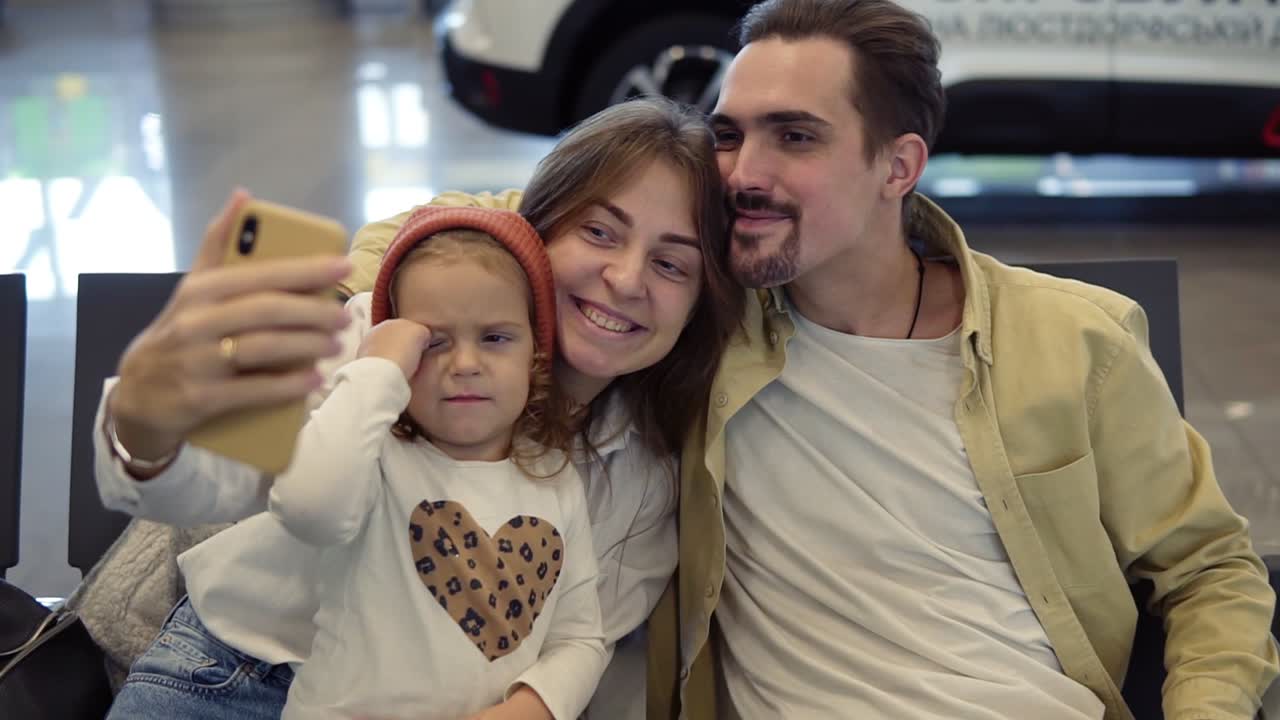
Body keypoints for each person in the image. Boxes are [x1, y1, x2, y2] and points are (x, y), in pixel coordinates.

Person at [642, 1, 1279, 719]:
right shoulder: (691, 334)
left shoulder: (1075, 340)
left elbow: (1210, 571)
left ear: (899, 166)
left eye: (795, 136)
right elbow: (561, 239)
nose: (742, 173)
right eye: (727, 136)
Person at [91, 97, 743, 719]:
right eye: (599, 232)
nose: (626, 279)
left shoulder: (642, 471)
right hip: (235, 675)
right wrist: (148, 417)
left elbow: (579, 641)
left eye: (671, 265)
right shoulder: (380, 341)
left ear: (698, 305)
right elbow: (214, 481)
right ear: (536, 231)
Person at [266, 210, 605, 719]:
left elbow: (580, 639)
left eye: (495, 337)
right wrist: (376, 370)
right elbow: (308, 508)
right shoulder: (373, 452)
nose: (465, 364)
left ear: (536, 354)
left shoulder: (555, 478)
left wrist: (528, 708)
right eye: (433, 342)